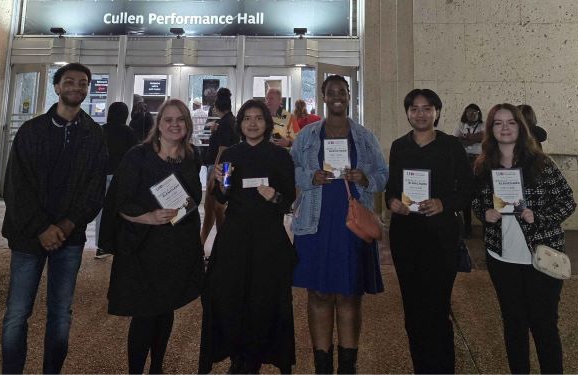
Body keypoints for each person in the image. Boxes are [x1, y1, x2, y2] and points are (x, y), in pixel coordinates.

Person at [1, 62, 108, 374]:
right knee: (17, 313)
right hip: (26, 236)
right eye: (70, 81)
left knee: (61, 313)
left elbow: (94, 188)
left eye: (83, 82)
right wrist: (41, 228)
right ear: (57, 87)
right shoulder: (31, 131)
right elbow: (15, 186)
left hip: (69, 238)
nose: (77, 87)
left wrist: (65, 225)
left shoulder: (93, 134)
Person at [98, 99, 204, 374]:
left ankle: (157, 368)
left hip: (176, 245)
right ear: (158, 125)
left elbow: (195, 198)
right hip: (143, 245)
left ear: (188, 125)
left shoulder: (192, 156)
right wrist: (148, 216)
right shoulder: (138, 156)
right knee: (145, 314)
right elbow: (119, 200)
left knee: (166, 310)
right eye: (168, 119)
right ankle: (136, 370)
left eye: (180, 119)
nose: (174, 124)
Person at [291, 75, 388, 374]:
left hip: (351, 226)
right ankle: (322, 365)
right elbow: (289, 170)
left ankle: (348, 365)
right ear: (322, 96)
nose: (336, 97)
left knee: (349, 294)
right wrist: (310, 177)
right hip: (315, 224)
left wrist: (365, 178)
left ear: (349, 96)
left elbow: (383, 175)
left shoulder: (365, 137)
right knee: (318, 294)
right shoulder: (307, 135)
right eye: (331, 92)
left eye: (342, 92)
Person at [472, 103, 575, 374]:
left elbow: (567, 202)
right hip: (501, 258)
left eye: (511, 122)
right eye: (498, 123)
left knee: (544, 325)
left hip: (541, 257)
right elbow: (477, 203)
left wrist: (536, 216)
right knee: (514, 325)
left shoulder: (541, 163)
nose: (505, 128)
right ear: (491, 129)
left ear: (521, 127)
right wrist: (486, 213)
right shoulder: (483, 166)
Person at [199, 99, 297, 374]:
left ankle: (259, 356)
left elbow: (288, 199)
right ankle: (237, 356)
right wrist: (219, 183)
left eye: (258, 118)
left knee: (264, 298)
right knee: (231, 296)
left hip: (268, 237)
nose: (252, 123)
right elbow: (222, 196)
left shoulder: (279, 156)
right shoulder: (231, 154)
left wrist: (275, 195)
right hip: (235, 235)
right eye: (247, 119)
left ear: (266, 123)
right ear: (240, 124)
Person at [385, 89, 473, 373]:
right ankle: (421, 367)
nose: (420, 113)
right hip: (406, 237)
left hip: (441, 236)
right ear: (407, 112)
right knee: (412, 310)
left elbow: (469, 189)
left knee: (437, 307)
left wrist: (444, 203)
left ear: (437, 111)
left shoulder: (451, 146)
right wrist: (392, 202)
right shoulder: (399, 146)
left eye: (426, 108)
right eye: (414, 108)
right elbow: (390, 188)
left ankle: (443, 368)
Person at [94, 101, 137, 259]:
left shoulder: (101, 130)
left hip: (102, 175)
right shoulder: (128, 132)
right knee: (122, 210)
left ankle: (101, 245)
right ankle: (119, 242)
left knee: (102, 211)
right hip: (121, 177)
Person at [200, 88, 239, 247]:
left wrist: (213, 176)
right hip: (226, 168)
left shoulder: (224, 123)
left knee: (214, 208)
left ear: (216, 106)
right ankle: (213, 243)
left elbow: (222, 150)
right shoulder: (230, 121)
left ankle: (212, 244)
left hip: (222, 168)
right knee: (215, 208)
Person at [453, 103, 484, 238]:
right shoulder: (461, 125)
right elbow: (456, 140)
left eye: (473, 112)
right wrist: (473, 138)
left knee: (480, 192)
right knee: (465, 193)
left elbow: (483, 137)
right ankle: (467, 228)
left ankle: (485, 228)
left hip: (479, 160)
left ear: (478, 113)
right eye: (468, 112)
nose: (470, 115)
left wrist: (467, 138)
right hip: (464, 160)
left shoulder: (483, 125)